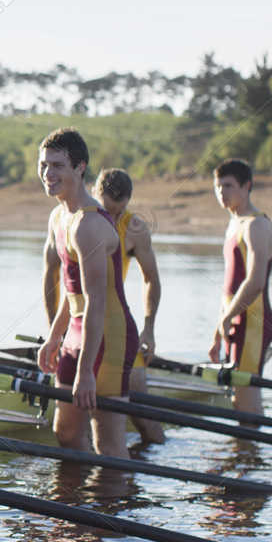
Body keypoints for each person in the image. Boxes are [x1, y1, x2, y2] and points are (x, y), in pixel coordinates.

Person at [34, 128, 139, 459]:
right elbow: (72, 290)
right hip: (77, 331)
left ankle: (114, 505)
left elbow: (97, 301)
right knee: (65, 433)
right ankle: (76, 504)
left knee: (107, 444)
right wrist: (54, 337)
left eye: (58, 166)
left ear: (80, 168)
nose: (48, 174)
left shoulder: (89, 224)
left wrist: (86, 373)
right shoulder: (59, 216)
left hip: (110, 335)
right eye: (44, 165)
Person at [94, 167, 163, 444]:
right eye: (106, 211)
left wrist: (149, 330)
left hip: (119, 327)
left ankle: (155, 463)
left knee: (142, 415)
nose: (112, 219)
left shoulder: (135, 228)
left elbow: (152, 281)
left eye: (118, 213)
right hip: (84, 325)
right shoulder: (79, 218)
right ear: (94, 194)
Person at [209, 158, 272, 415]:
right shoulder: (234, 223)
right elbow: (229, 287)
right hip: (237, 319)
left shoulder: (256, 225)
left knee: (246, 404)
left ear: (247, 186)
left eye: (228, 186)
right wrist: (219, 329)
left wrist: (227, 318)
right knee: (239, 400)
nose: (222, 193)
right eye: (218, 186)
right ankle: (244, 455)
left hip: (254, 323)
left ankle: (253, 454)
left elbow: (255, 281)